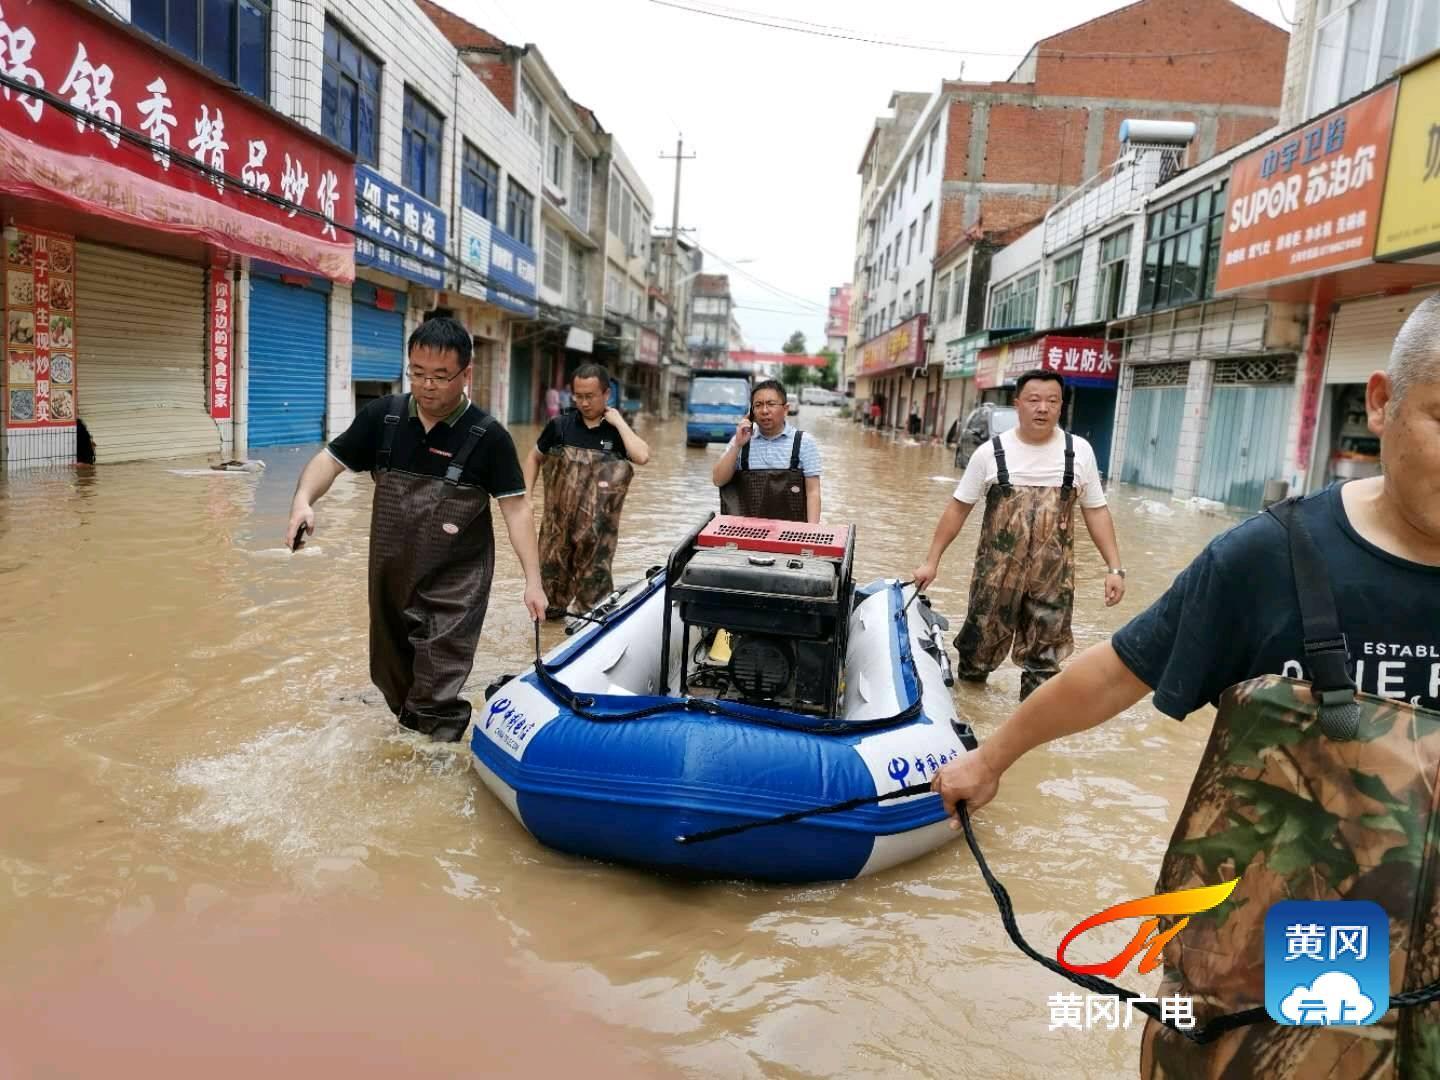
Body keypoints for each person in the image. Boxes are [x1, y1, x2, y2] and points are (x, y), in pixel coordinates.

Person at [932, 295, 1440, 1078]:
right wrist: (991, 757)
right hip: (1309, 949)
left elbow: (1097, 516)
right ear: (1381, 402)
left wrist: (1110, 564)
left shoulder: (1080, 459)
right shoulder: (1272, 559)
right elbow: (1118, 670)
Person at [285, 317, 546, 743]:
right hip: (390, 574)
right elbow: (330, 461)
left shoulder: (489, 437)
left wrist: (532, 581)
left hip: (456, 583)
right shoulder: (383, 418)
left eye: (441, 376)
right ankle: (411, 740)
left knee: (436, 685)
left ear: (467, 373)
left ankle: (435, 764)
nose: (428, 385)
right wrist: (302, 501)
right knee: (392, 679)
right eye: (418, 373)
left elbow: (516, 510)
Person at [913, 369, 1125, 701]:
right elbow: (957, 509)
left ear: (1061, 406)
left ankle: (1031, 740)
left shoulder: (1079, 451)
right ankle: (972, 719)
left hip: (1053, 583)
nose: (1043, 408)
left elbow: (1096, 510)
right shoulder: (990, 453)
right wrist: (931, 562)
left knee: (1044, 667)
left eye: (1052, 401)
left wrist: (1114, 568)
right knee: (975, 659)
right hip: (995, 580)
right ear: (1017, 405)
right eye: (1034, 400)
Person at [523, 363, 650, 621]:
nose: (583, 402)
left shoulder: (617, 434)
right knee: (547, 611)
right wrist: (526, 496)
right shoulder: (560, 426)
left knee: (593, 611)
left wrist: (620, 422)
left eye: (590, 396)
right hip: (555, 535)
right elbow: (533, 458)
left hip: (597, 540)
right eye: (578, 396)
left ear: (606, 394)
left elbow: (642, 456)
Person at [711, 379, 822, 523]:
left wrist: (811, 533)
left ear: (786, 409)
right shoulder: (740, 440)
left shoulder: (804, 442)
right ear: (751, 412)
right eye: (758, 405)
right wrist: (738, 445)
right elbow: (718, 480)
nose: (764, 411)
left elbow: (813, 492)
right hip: (745, 534)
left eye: (771, 404)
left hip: (791, 535)